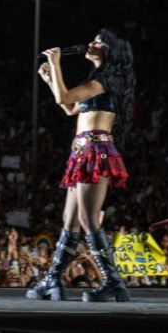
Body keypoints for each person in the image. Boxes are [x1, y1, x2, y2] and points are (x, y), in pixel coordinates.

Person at [26, 29, 135, 302]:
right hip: (82, 150)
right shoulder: (96, 81)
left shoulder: (110, 79)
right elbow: (70, 108)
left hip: (95, 151)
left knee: (87, 218)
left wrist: (55, 63)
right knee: (70, 220)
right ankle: (53, 280)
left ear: (111, 50)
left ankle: (113, 282)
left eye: (98, 41)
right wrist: (51, 79)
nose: (91, 43)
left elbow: (64, 98)